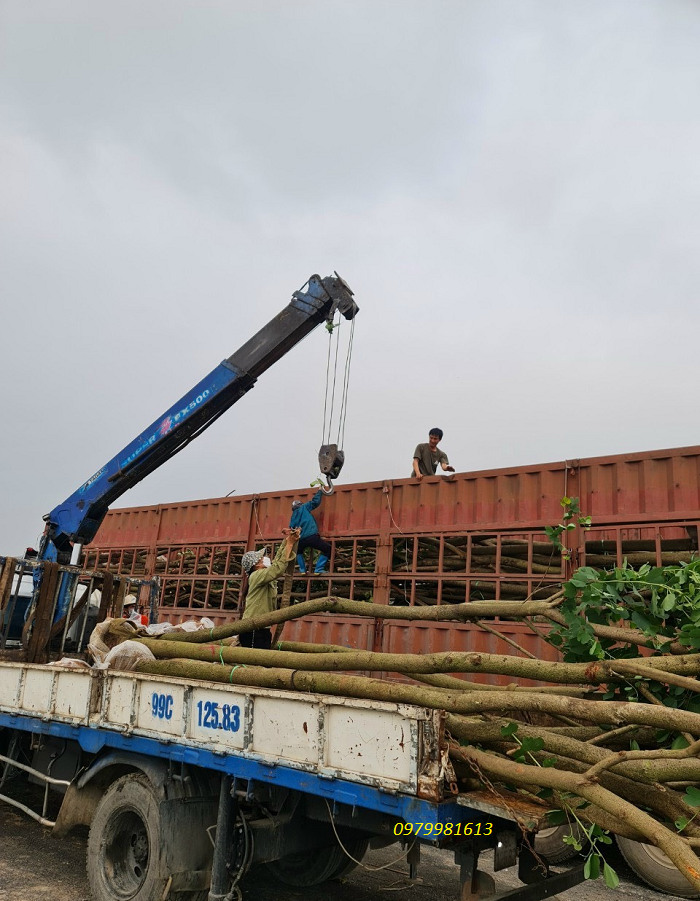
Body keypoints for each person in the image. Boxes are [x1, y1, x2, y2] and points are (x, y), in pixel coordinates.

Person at [239, 527, 301, 649]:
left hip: (262, 628)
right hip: (253, 629)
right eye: (261, 558)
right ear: (256, 565)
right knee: (257, 664)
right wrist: (289, 544)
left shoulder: (263, 575)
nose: (265, 559)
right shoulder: (257, 576)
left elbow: (278, 560)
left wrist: (287, 541)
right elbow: (278, 568)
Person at [290, 489, 332, 574]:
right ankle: (318, 569)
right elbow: (315, 502)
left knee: (298, 551)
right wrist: (320, 491)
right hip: (312, 536)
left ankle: (302, 570)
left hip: (300, 539)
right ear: (300, 504)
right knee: (328, 549)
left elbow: (291, 527)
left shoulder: (293, 516)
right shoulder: (304, 507)